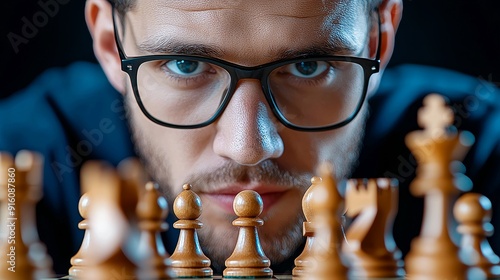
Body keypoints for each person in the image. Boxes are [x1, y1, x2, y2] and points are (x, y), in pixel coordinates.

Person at [1, 0, 499, 275]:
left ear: (378, 38)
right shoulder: (16, 161)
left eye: (309, 65)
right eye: (187, 65)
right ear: (111, 45)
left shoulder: (484, 147)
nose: (248, 145)